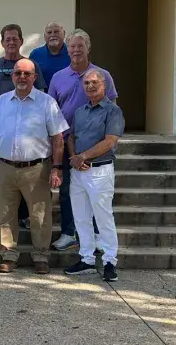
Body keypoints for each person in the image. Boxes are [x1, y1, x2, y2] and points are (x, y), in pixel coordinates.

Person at [0, 59, 67, 274]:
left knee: (40, 216)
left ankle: (41, 256)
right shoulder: (1, 102)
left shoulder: (47, 102)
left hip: (36, 169)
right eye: (18, 73)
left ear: (34, 77)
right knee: (5, 214)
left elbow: (58, 138)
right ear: (12, 76)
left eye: (27, 74)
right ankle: (8, 256)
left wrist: (56, 168)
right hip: (5, 167)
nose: (22, 77)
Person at [48, 28, 118, 252]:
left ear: (88, 48)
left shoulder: (102, 75)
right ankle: (69, 233)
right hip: (66, 144)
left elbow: (112, 107)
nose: (76, 50)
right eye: (72, 46)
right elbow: (52, 111)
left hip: (96, 146)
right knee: (68, 192)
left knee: (95, 194)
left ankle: (97, 236)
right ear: (67, 50)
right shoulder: (58, 77)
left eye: (80, 46)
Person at [0, 23, 46, 229]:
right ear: (2, 43)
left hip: (28, 129)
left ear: (21, 41)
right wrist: (4, 111)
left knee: (25, 169)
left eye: (15, 39)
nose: (11, 42)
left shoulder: (30, 65)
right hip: (0, 127)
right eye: (7, 39)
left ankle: (24, 216)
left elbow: (41, 93)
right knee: (0, 170)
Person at [64, 68, 124, 282]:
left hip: (100, 170)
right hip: (78, 171)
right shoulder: (80, 111)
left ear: (104, 85)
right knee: (81, 217)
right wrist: (75, 157)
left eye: (94, 82)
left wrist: (84, 156)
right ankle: (87, 258)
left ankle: (109, 261)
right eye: (87, 83)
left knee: (103, 216)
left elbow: (110, 141)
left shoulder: (112, 111)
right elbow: (71, 137)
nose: (90, 86)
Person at [28, 22, 70, 86]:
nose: (53, 35)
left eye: (56, 32)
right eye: (49, 32)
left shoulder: (72, 53)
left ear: (64, 34)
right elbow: (29, 78)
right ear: (44, 36)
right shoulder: (35, 55)